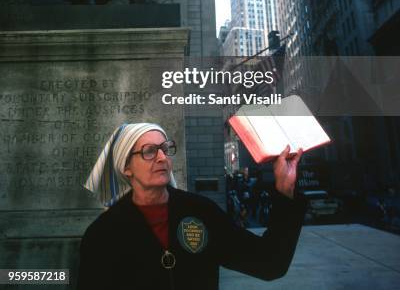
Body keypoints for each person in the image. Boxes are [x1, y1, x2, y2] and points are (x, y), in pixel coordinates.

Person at [77, 122, 305, 289]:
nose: (162, 158)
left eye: (165, 149)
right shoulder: (103, 233)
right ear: (126, 167)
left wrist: (285, 191)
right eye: (149, 151)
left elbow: (269, 264)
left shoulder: (201, 211)